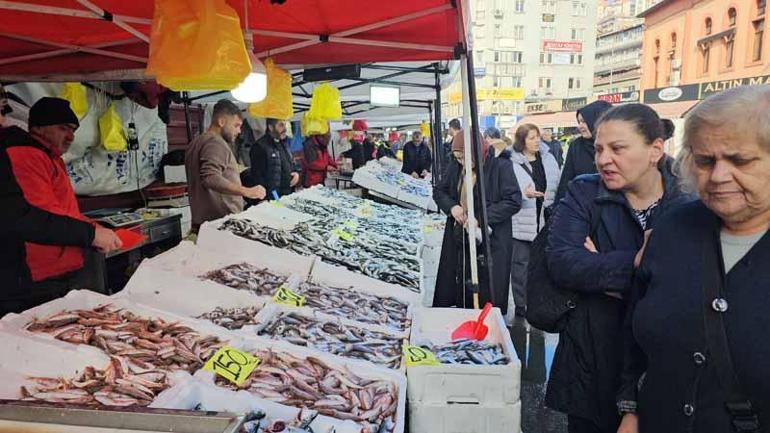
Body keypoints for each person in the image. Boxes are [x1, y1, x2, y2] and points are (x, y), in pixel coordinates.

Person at [618, 86, 770, 433]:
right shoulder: (673, 227)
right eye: (704, 160)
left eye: (740, 160)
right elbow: (636, 330)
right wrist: (632, 408)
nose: (718, 176)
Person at [544, 104, 691, 433]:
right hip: (589, 361)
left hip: (659, 371)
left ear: (655, 149)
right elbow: (562, 263)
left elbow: (687, 284)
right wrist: (637, 262)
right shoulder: (584, 191)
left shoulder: (687, 203)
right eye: (598, 149)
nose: (603, 159)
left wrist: (600, 268)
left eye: (617, 148)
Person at [0, 97, 123, 316]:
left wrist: (94, 228)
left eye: (73, 130)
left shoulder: (49, 156)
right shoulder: (25, 154)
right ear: (39, 127)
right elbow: (38, 214)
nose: (70, 136)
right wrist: (92, 233)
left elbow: (64, 210)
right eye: (63, 128)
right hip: (37, 275)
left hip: (58, 267)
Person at [433, 130, 522, 314]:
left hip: (492, 240)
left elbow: (513, 201)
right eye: (458, 158)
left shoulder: (501, 167)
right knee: (461, 287)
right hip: (461, 238)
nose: (462, 163)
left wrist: (480, 218)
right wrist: (452, 207)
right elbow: (439, 191)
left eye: (465, 158)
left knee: (487, 293)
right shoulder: (455, 168)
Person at [186, 99, 266, 232]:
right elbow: (210, 178)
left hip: (203, 222)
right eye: (236, 125)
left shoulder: (196, 142)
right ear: (221, 122)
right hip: (220, 224)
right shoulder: (215, 142)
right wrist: (247, 191)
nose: (239, 131)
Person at [509, 123, 560, 318]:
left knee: (540, 263)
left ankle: (536, 300)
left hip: (544, 217)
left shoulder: (548, 159)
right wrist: (523, 193)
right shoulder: (513, 162)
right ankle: (521, 304)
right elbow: (509, 189)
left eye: (538, 136)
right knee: (520, 263)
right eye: (531, 138)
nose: (537, 140)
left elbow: (556, 183)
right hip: (522, 217)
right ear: (522, 141)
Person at [554, 100, 613, 204]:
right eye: (579, 122)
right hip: (582, 208)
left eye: (584, 122)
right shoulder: (576, 146)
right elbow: (566, 181)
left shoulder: (616, 145)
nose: (580, 126)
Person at [251, 118, 300, 199]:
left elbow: (292, 164)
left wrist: (296, 174)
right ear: (270, 127)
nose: (285, 129)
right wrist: (267, 199)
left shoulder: (283, 143)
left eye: (285, 125)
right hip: (274, 197)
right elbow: (257, 178)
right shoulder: (259, 147)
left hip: (289, 194)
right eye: (281, 125)